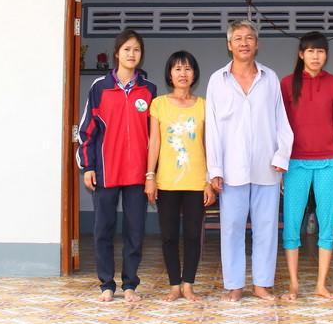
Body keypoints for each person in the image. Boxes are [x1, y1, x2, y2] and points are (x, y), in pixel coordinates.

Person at [205, 19, 294, 302]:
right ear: (229, 45)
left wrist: (282, 154)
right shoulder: (217, 81)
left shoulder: (270, 78)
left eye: (249, 38)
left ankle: (262, 284)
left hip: (267, 167)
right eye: (238, 38)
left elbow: (282, 120)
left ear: (257, 43)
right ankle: (234, 285)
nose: (244, 43)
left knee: (266, 227)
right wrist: (215, 169)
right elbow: (213, 129)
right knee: (231, 227)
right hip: (231, 169)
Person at [76, 29, 157, 302]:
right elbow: (87, 131)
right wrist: (88, 167)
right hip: (106, 173)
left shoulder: (149, 90)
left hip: (137, 174)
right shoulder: (100, 88)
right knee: (103, 230)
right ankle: (107, 284)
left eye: (136, 50)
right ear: (117, 53)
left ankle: (130, 284)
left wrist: (152, 173)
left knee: (135, 230)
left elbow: (155, 135)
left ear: (141, 54)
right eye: (127, 49)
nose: (132, 54)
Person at [280, 31, 333, 300]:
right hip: (296, 163)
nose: (316, 56)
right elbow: (281, 127)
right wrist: (281, 163)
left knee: (327, 222)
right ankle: (294, 284)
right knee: (292, 223)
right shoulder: (287, 84)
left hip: (328, 163)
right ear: (301, 54)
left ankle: (321, 284)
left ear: (326, 55)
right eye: (310, 51)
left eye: (320, 51)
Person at [145, 51, 216, 301]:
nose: (182, 73)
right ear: (170, 74)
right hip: (166, 182)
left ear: (194, 73)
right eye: (177, 69)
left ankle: (188, 284)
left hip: (197, 182)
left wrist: (209, 180)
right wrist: (149, 176)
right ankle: (174, 284)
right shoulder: (158, 104)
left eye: (187, 68)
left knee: (193, 235)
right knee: (169, 235)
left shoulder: (204, 105)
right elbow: (154, 142)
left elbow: (209, 144)